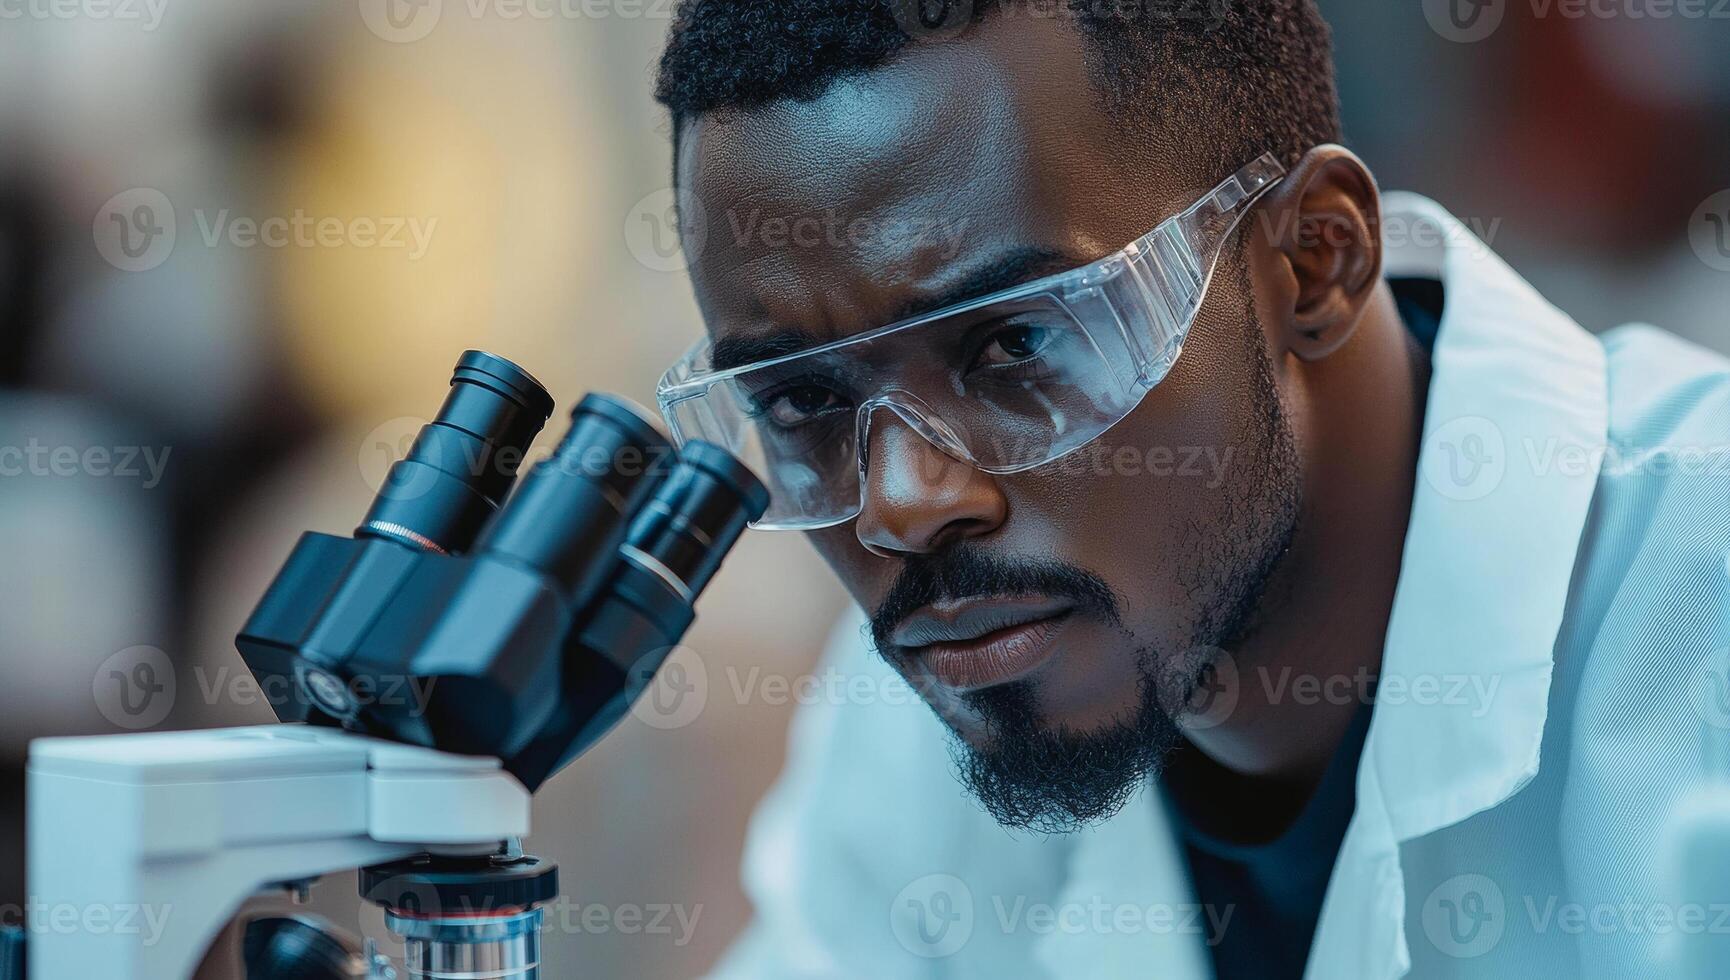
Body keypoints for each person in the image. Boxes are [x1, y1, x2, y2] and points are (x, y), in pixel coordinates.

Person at [648, 2, 1730, 976]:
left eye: (1016, 340)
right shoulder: (944, 688)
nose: (898, 505)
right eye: (800, 401)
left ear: (1311, 260)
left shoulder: (1697, 606)